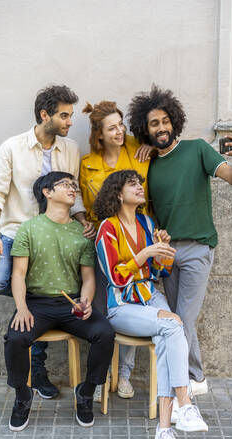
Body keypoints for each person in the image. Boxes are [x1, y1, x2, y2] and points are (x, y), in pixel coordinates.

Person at [127, 85, 232, 401]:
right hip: (165, 253)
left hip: (197, 249)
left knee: (182, 318)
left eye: (165, 121)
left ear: (174, 121)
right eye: (154, 124)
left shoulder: (197, 149)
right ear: (146, 129)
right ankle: (196, 378)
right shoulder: (150, 163)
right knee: (179, 319)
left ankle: (181, 385)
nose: (161, 128)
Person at [0, 85, 95, 400]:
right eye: (64, 115)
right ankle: (35, 305)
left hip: (54, 236)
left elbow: (74, 191)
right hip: (15, 231)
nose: (70, 122)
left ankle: (38, 369)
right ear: (45, 115)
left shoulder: (70, 148)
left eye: (70, 115)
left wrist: (83, 219)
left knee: (40, 295)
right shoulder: (12, 147)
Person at [95, 169, 208, 439]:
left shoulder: (147, 223)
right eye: (133, 183)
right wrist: (145, 254)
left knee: (169, 332)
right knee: (174, 324)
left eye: (140, 182)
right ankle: (184, 404)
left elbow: (158, 273)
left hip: (149, 298)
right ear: (118, 193)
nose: (140, 186)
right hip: (121, 305)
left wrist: (162, 254)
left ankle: (165, 429)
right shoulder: (107, 228)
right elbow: (116, 278)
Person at [4, 171, 114, 432]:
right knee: (16, 338)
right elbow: (18, 274)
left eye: (73, 185)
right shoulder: (29, 228)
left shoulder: (81, 233)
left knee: (105, 333)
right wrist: (21, 308)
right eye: (65, 185)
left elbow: (88, 278)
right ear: (47, 192)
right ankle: (22, 395)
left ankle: (85, 392)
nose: (72, 189)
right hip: (36, 303)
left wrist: (85, 303)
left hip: (71, 304)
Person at [80, 100, 153, 400]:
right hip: (104, 244)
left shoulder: (138, 150)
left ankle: (124, 374)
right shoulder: (87, 164)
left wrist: (152, 147)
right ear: (99, 134)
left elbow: (163, 148)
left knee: (133, 303)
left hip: (136, 239)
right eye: (112, 128)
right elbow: (84, 204)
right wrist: (84, 221)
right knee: (100, 310)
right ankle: (100, 376)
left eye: (121, 125)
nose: (120, 131)